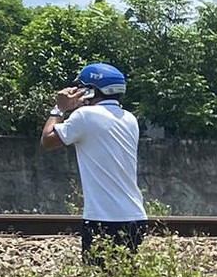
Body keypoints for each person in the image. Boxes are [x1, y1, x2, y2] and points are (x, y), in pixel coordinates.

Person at [40, 63, 147, 265]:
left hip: (103, 219)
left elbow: (47, 140)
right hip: (135, 217)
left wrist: (59, 109)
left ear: (90, 90)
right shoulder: (130, 119)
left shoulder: (85, 117)